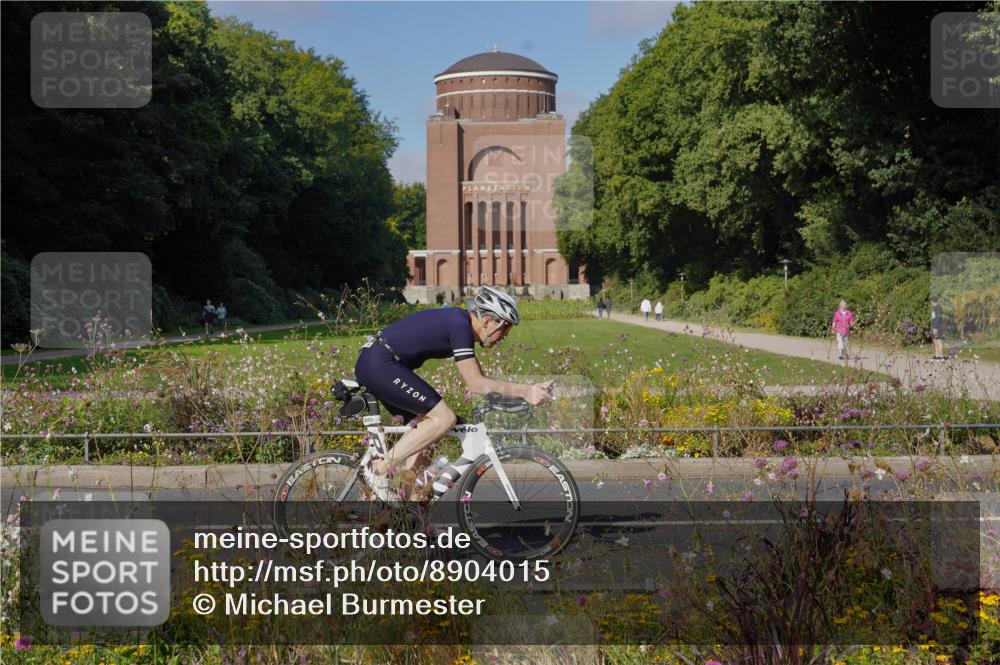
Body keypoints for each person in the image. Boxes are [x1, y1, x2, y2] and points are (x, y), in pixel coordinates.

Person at [354, 286, 553, 502]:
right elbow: (477, 384)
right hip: (380, 363)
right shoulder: (460, 325)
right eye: (504, 328)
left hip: (380, 362)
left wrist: (517, 397)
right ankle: (379, 470)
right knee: (444, 419)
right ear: (487, 321)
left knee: (428, 435)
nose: (505, 336)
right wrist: (526, 392)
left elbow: (483, 384)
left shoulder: (460, 324)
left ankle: (409, 508)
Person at [930, 295, 944, 360]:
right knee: (935, 341)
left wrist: (935, 328)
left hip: (938, 327)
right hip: (934, 327)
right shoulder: (934, 307)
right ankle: (937, 355)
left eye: (931, 300)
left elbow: (938, 318)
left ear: (932, 301)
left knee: (938, 341)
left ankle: (941, 356)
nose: (930, 301)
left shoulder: (938, 308)